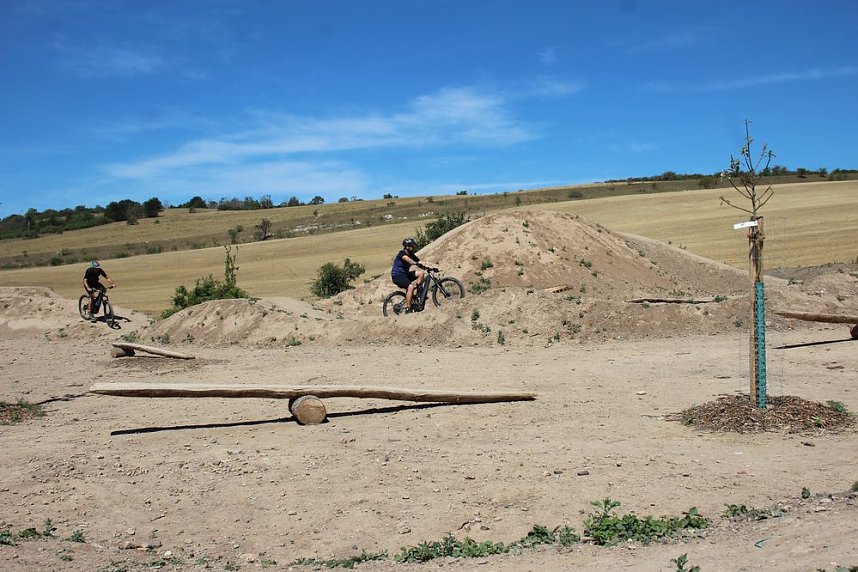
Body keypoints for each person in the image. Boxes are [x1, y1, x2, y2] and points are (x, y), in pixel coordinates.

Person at [390, 238, 430, 312]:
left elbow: (419, 261)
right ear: (407, 247)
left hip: (405, 274)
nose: (414, 247)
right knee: (410, 287)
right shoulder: (402, 254)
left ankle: (419, 290)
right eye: (412, 246)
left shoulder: (411, 254)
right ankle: (408, 308)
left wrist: (427, 267)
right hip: (397, 276)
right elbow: (409, 260)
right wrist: (416, 263)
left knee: (421, 273)